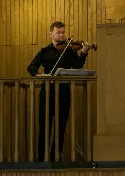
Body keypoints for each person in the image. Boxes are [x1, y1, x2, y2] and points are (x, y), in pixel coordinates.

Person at [27, 21, 91, 162]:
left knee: (60, 126)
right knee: (45, 126)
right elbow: (31, 66)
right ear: (51, 33)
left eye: (63, 32)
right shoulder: (44, 51)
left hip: (63, 92)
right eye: (59, 32)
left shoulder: (70, 51)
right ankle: (41, 158)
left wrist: (84, 53)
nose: (62, 35)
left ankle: (55, 156)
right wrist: (38, 75)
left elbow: (76, 67)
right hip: (47, 92)